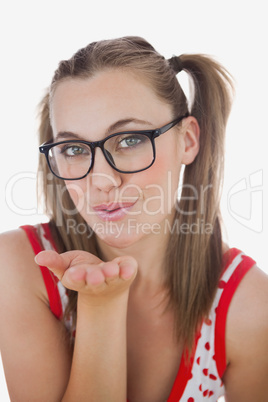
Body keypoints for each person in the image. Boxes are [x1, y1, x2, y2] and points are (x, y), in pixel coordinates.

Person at [0, 36, 267, 402]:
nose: (103, 182)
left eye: (129, 140)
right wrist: (101, 305)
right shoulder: (19, 265)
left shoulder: (250, 306)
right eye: (74, 149)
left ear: (187, 140)